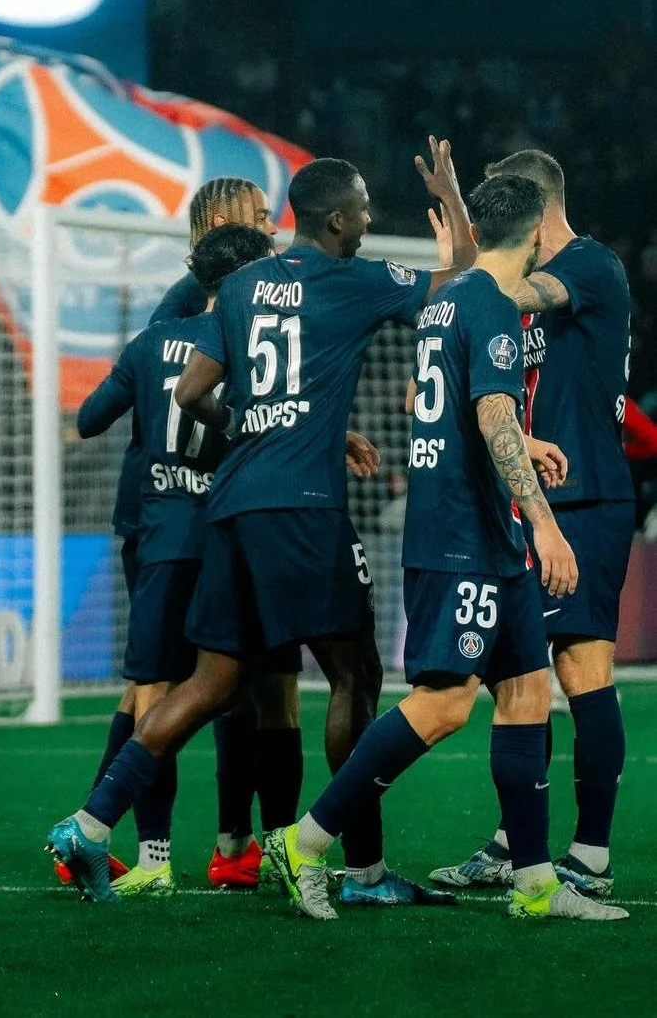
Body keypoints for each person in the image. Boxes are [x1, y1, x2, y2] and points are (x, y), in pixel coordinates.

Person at [46, 146, 473, 903]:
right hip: (303, 506)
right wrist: (453, 205)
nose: (370, 220)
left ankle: (86, 823)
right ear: (337, 220)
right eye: (365, 209)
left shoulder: (240, 285)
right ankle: (362, 870)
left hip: (230, 504)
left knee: (209, 681)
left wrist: (254, 422)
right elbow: (462, 280)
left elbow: (189, 391)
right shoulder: (354, 280)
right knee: (354, 674)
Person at [264, 173, 628, 922]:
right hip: (463, 535)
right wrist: (547, 522)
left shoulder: (448, 300)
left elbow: (446, 405)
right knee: (445, 703)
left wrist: (523, 442)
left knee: (528, 691)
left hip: (483, 535)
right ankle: (306, 837)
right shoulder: (490, 303)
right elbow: (491, 411)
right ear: (532, 238)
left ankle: (532, 882)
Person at [65, 175, 301, 892]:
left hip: (184, 522)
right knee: (204, 682)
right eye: (259, 219)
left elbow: (94, 413)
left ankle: (190, 844)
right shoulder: (221, 320)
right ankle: (157, 838)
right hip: (204, 521)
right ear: (223, 229)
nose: (272, 230)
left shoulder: (162, 335)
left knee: (194, 681)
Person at [429, 150, 634, 898]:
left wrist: (463, 238)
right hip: (533, 500)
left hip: (583, 499)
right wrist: (462, 219)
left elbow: (500, 285)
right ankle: (516, 841)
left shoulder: (589, 266)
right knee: (517, 678)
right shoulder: (522, 281)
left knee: (582, 670)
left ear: (534, 206)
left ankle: (591, 853)